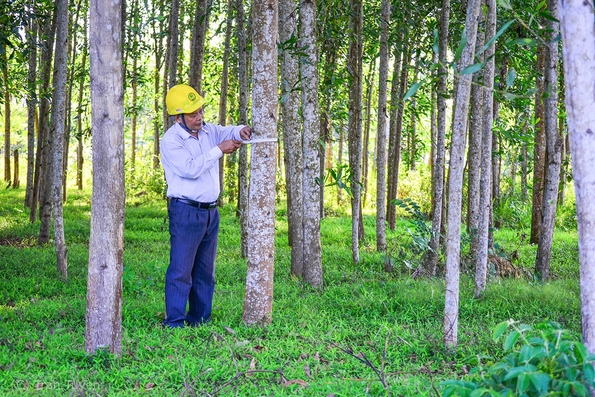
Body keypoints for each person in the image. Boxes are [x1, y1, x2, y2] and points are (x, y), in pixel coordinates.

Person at [160, 84, 251, 328]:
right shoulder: (171, 141)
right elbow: (189, 169)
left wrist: (241, 131)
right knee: (181, 270)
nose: (199, 117)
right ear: (178, 118)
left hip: (210, 212)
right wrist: (219, 151)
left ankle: (200, 319)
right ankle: (175, 322)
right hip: (185, 211)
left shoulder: (208, 130)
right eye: (192, 114)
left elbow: (226, 131)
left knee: (205, 272)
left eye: (200, 111)